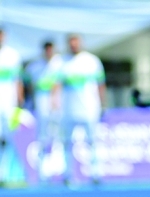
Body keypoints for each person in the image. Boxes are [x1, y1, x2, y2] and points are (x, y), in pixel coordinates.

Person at [53, 34, 104, 184]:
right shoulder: (61, 62)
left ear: (81, 43)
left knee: (93, 141)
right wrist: (55, 106)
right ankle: (68, 175)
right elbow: (56, 86)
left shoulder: (92, 61)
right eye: (71, 42)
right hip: (68, 111)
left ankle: (95, 174)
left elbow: (101, 84)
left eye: (76, 42)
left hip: (89, 109)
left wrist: (103, 103)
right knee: (67, 142)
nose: (74, 45)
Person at [23, 41, 62, 155]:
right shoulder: (34, 66)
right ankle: (42, 154)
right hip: (41, 99)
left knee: (56, 128)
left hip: (58, 100)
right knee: (42, 125)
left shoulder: (60, 63)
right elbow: (27, 83)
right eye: (47, 49)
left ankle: (56, 152)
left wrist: (55, 97)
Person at [0, 27, 24, 184]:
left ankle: (4, 173)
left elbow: (18, 80)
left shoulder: (13, 55)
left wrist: (19, 102)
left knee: (7, 139)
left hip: (9, 106)